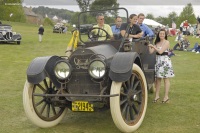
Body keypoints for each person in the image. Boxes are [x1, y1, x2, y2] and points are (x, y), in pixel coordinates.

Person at [148, 29, 175, 103]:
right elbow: (151, 52)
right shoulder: (157, 42)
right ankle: (157, 96)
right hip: (158, 61)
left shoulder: (167, 42)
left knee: (166, 79)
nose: (162, 35)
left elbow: (160, 51)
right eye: (160, 34)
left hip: (165, 62)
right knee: (158, 79)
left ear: (165, 35)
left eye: (163, 34)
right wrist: (149, 45)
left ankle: (166, 97)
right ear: (158, 35)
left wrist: (153, 47)